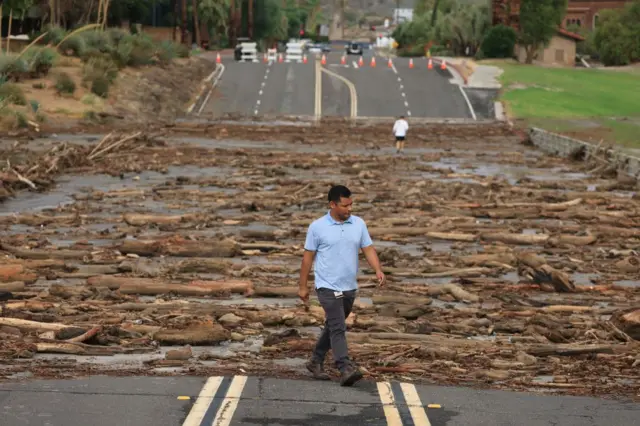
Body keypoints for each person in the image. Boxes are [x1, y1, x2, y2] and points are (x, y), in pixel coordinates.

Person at [298, 185, 386, 386]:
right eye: (345, 205)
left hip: (348, 286)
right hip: (327, 286)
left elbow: (368, 249)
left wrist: (378, 270)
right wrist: (303, 286)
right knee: (338, 326)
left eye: (351, 204)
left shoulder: (358, 224)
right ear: (332, 204)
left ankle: (315, 361)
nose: (350, 209)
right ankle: (345, 368)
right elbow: (307, 259)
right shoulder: (317, 227)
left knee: (332, 325)